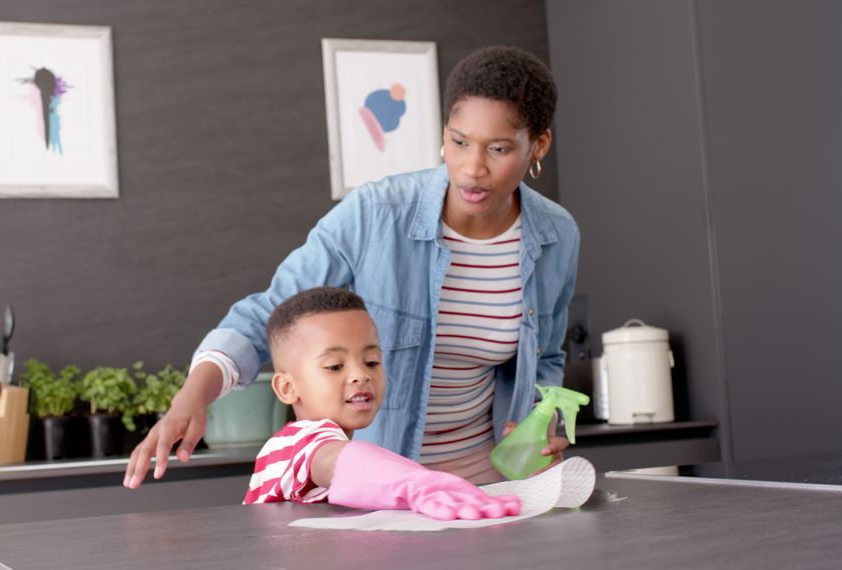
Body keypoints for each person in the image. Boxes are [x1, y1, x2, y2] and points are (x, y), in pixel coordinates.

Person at [124, 45, 579, 489]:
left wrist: (540, 420)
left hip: (492, 484)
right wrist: (193, 396)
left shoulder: (556, 236)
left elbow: (546, 357)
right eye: (459, 142)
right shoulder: (375, 215)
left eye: (498, 149)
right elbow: (269, 315)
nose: (471, 168)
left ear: (537, 145)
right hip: (384, 486)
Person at [243, 287, 520, 520]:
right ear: (287, 388)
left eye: (372, 362)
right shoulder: (293, 445)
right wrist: (416, 483)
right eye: (335, 366)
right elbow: (335, 459)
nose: (361, 375)